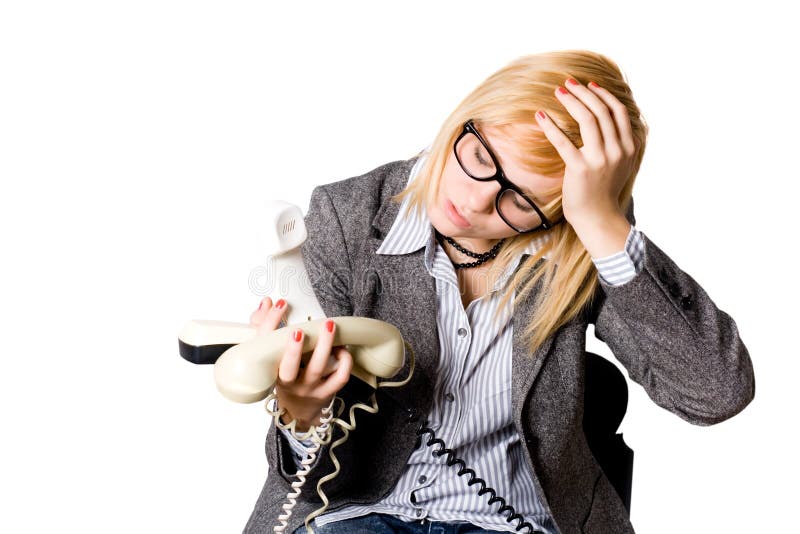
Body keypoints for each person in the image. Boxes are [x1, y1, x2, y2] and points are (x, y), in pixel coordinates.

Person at [241, 50, 755, 534]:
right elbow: (310, 475)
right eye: (480, 155)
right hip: (358, 512)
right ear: (471, 115)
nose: (474, 198)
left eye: (520, 200)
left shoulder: (580, 245)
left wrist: (602, 225)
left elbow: (715, 393)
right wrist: (302, 414)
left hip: (513, 520)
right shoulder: (345, 214)